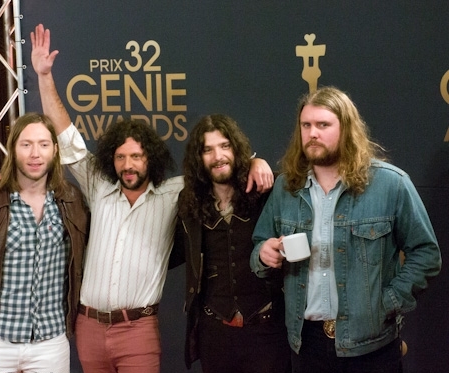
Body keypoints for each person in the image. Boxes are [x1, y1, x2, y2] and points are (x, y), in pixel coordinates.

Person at [30, 23, 274, 373]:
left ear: (152, 159)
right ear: (110, 159)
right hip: (88, 327)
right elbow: (66, 137)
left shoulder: (174, 193)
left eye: (137, 157)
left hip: (138, 330)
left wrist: (254, 159)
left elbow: (218, 163)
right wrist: (44, 75)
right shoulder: (99, 186)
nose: (128, 165)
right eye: (120, 157)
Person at [250, 86, 442, 373]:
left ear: (346, 129)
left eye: (323, 125)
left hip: (372, 345)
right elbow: (259, 246)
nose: (312, 133)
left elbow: (426, 254)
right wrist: (264, 254)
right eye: (306, 125)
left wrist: (387, 303)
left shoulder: (391, 184)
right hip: (306, 344)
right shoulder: (285, 188)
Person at [0, 113, 89, 373]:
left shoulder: (72, 200)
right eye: (26, 144)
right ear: (13, 148)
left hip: (51, 342)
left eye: (43, 144)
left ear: (55, 150)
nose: (35, 153)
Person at [171, 114, 291, 372]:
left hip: (267, 332)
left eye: (225, 146)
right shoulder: (189, 200)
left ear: (237, 150)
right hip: (214, 334)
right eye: (208, 149)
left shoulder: (266, 191)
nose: (218, 156)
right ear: (198, 158)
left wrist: (257, 162)